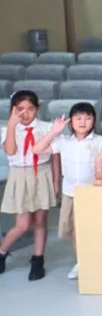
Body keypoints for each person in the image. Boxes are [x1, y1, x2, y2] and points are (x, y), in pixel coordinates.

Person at [32, 102, 102, 280]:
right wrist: (54, 131)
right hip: (71, 193)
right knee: (75, 231)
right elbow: (37, 149)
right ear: (71, 121)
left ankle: (95, 261)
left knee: (93, 229)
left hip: (94, 192)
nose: (83, 122)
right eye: (78, 118)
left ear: (94, 121)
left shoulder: (101, 141)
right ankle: (81, 262)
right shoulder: (63, 141)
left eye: (88, 118)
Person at [0, 91, 55, 280]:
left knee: (40, 221)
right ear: (12, 110)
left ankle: (38, 260)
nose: (25, 113)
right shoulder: (6, 129)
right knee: (22, 225)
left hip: (42, 173)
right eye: (20, 109)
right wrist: (11, 125)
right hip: (19, 175)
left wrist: (56, 181)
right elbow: (10, 151)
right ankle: (2, 251)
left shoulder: (47, 127)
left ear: (37, 109)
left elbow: (55, 156)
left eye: (31, 109)